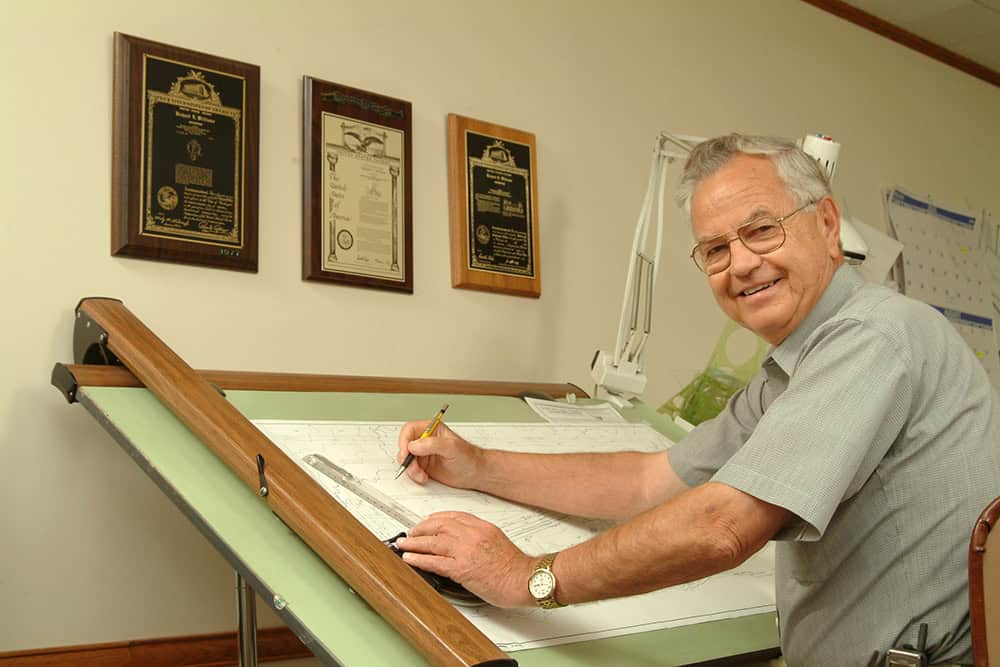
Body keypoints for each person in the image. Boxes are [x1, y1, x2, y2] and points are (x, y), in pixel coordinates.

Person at [394, 134, 999, 666]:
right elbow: (647, 482)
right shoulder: (789, 370)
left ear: (827, 223)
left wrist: (525, 575)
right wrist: (478, 464)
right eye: (714, 249)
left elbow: (721, 529)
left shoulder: (872, 337)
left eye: (762, 229)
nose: (740, 264)